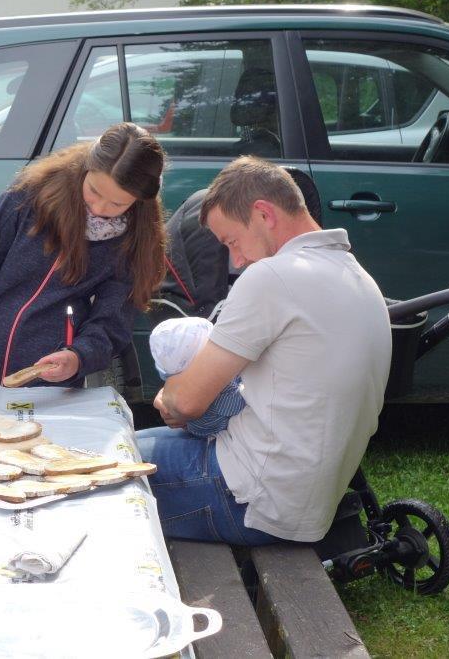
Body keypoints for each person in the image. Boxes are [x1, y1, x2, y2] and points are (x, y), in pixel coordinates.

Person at [136, 156, 391, 546]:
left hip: (251, 499)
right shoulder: (358, 277)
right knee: (125, 443)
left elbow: (185, 402)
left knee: (100, 472)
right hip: (304, 498)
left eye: (232, 242)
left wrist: (167, 394)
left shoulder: (271, 277)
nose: (237, 261)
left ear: (263, 214)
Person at [0, 122, 167, 391]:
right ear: (86, 167)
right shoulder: (32, 193)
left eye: (117, 204)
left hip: (51, 385)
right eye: (94, 191)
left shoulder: (135, 241)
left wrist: (78, 356)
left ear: (139, 201)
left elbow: (111, 321)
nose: (98, 208)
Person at [149, 316, 244, 437]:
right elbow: (245, 402)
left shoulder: (177, 381)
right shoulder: (223, 391)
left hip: (200, 431)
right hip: (219, 436)